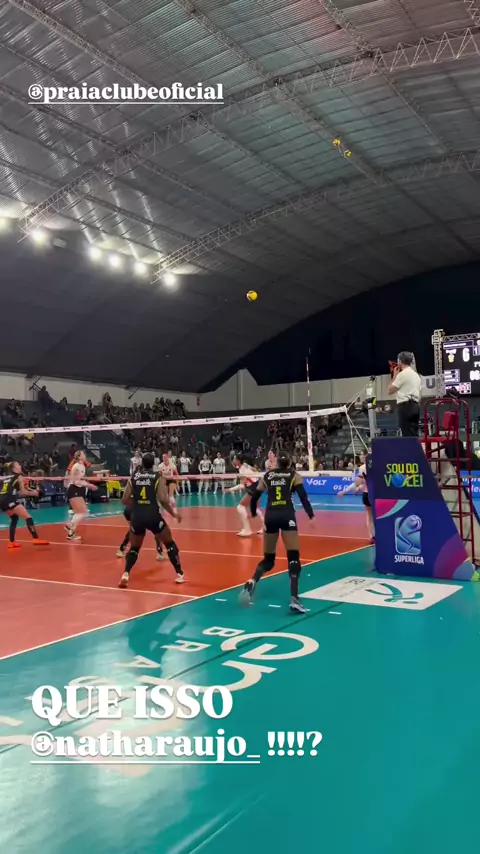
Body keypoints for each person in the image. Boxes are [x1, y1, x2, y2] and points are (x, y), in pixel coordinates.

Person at [240, 453, 314, 613]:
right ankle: (294, 598)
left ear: (277, 463)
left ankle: (252, 580)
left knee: (268, 559)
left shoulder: (268, 476)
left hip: (271, 517)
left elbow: (255, 496)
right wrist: (310, 515)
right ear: (290, 463)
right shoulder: (294, 475)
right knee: (293, 558)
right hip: (287, 516)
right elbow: (303, 496)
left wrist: (253, 512)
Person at [118, 453, 184, 589]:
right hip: (152, 515)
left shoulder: (135, 477)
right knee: (169, 542)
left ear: (142, 463)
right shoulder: (157, 477)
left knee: (134, 547)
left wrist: (137, 504)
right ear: (153, 464)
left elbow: (124, 499)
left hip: (137, 516)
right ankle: (179, 574)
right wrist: (174, 514)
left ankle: (126, 573)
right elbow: (163, 500)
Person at [0, 461, 49, 549]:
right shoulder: (19, 476)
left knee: (14, 518)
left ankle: (11, 542)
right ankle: (36, 538)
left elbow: (18, 491)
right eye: (18, 465)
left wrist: (31, 490)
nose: (20, 466)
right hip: (9, 499)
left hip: (2, 500)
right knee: (28, 517)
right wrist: (35, 493)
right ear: (14, 469)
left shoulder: (8, 478)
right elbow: (23, 492)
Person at [338, 451, 374, 543]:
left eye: (362, 454)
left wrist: (344, 491)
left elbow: (357, 483)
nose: (360, 456)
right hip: (375, 494)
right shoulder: (377, 466)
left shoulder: (362, 468)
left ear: (366, 456)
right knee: (376, 515)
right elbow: (365, 483)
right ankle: (376, 535)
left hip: (367, 494)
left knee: (369, 515)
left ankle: (372, 536)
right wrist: (359, 489)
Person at [226, 454, 263, 536]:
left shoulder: (242, 470)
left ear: (238, 461)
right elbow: (255, 470)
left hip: (254, 488)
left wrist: (230, 489)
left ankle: (247, 529)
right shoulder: (245, 465)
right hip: (258, 486)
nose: (233, 461)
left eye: (234, 459)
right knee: (255, 508)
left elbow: (242, 485)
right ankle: (265, 527)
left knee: (240, 507)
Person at [64, 450, 97, 541]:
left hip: (79, 489)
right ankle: (70, 528)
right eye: (83, 454)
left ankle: (70, 530)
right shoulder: (76, 466)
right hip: (74, 489)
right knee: (81, 512)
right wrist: (89, 485)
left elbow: (80, 479)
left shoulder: (82, 466)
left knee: (81, 512)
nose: (85, 455)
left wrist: (86, 484)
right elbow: (76, 481)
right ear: (79, 457)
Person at [388, 351, 421, 437]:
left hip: (405, 407)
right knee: (414, 434)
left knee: (407, 434)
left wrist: (394, 375)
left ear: (400, 361)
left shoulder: (402, 375)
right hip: (415, 406)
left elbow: (390, 390)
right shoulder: (416, 375)